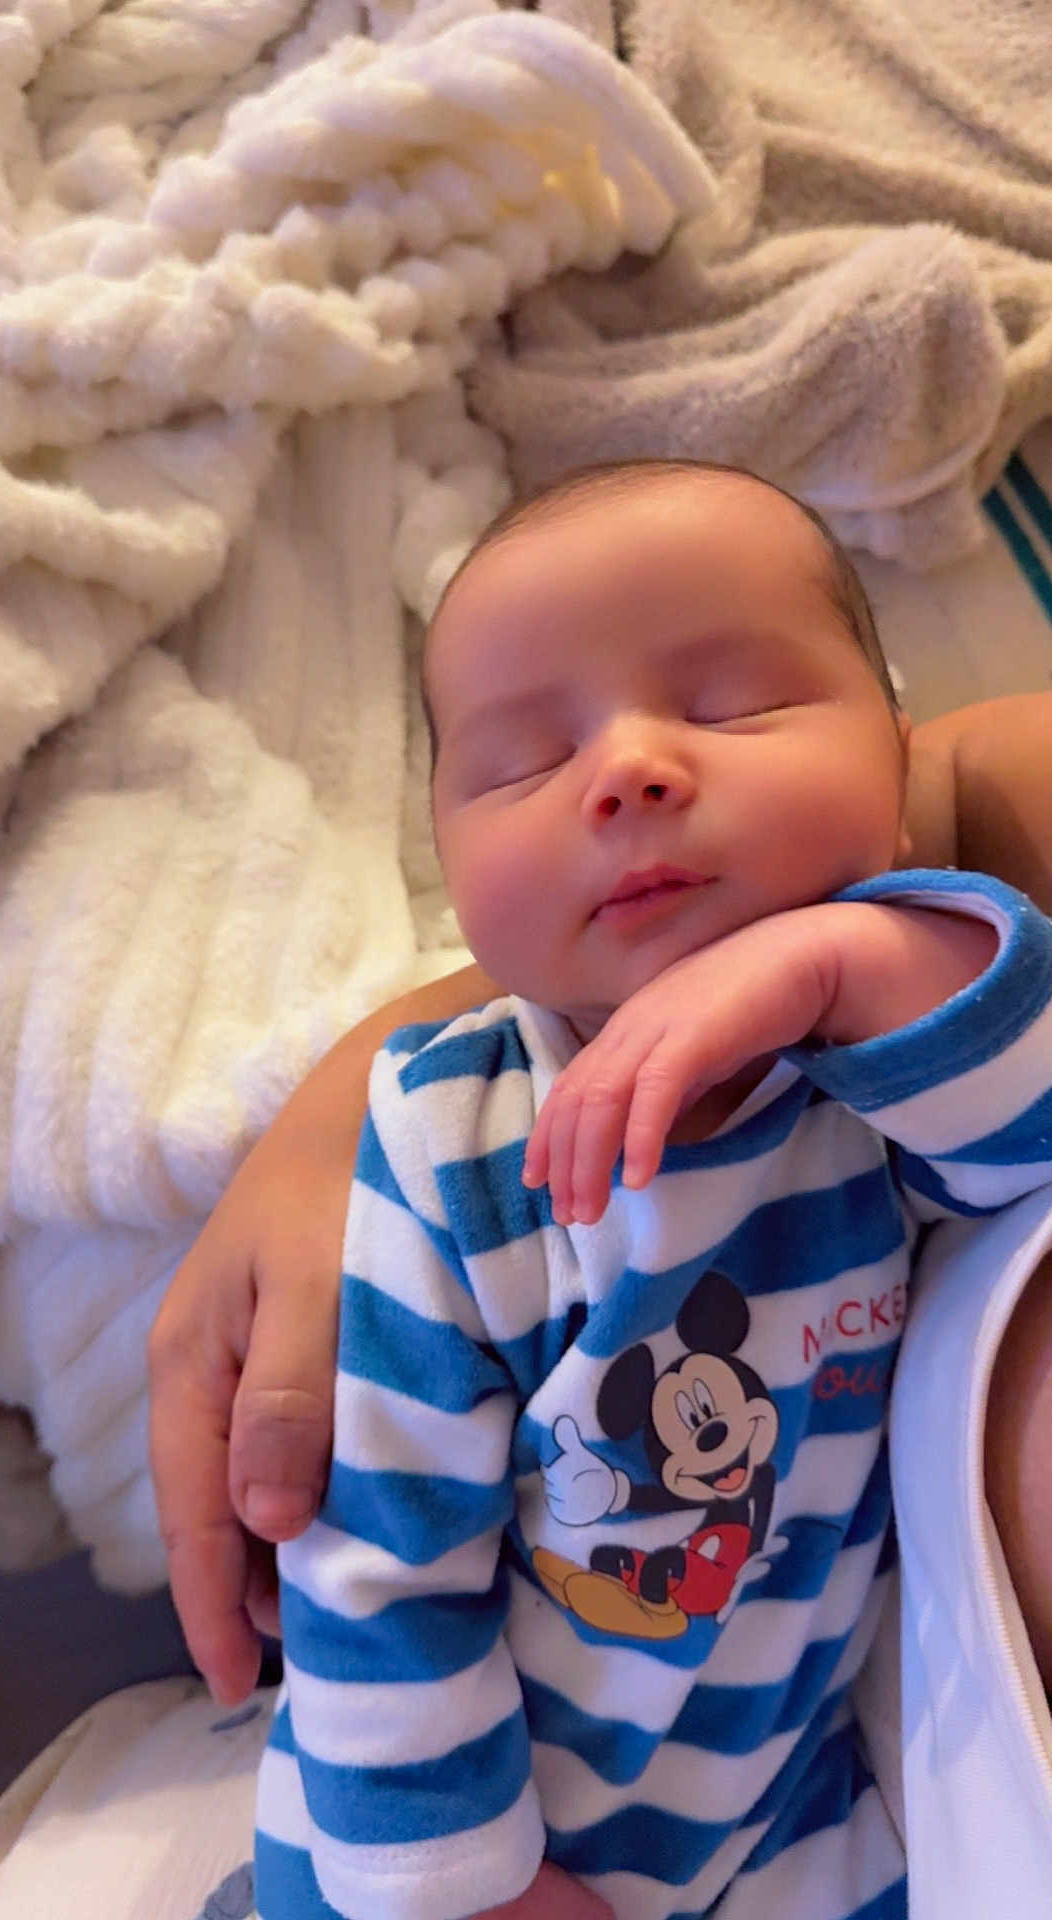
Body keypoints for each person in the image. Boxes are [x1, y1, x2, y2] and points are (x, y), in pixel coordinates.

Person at [237, 457, 1052, 1920]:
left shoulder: (874, 1066)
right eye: (522, 765)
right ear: (449, 854)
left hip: (785, 1814)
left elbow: (1025, 1137)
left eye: (735, 702)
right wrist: (463, 1887)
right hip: (469, 1838)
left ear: (901, 747)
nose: (628, 769)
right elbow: (378, 1559)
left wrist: (832, 964)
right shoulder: (453, 1145)